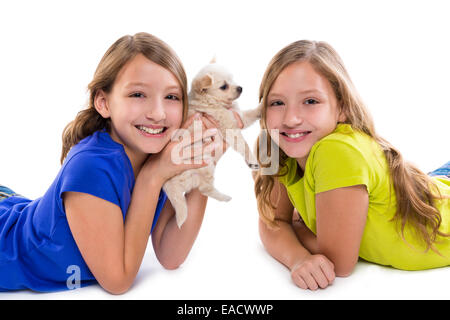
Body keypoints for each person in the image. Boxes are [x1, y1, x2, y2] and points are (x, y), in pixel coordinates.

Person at [0, 32, 227, 294]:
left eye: (172, 97)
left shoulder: (159, 155)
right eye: (138, 94)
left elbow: (170, 254)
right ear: (104, 103)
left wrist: (203, 168)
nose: (158, 113)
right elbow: (117, 281)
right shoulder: (90, 167)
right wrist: (152, 178)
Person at [253, 40, 450, 291]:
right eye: (277, 103)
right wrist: (298, 257)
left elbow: (338, 261)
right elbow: (272, 220)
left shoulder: (336, 151)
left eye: (311, 101)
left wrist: (294, 227)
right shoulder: (276, 145)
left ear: (342, 108)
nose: (291, 118)